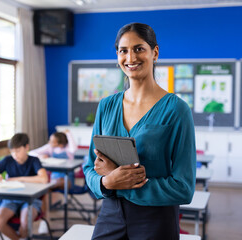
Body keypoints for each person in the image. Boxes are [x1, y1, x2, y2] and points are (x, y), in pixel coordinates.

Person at [83, 22, 196, 239]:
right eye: (123, 51)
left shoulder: (176, 109)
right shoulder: (106, 106)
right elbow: (90, 167)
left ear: (155, 52)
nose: (130, 58)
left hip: (156, 219)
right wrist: (107, 182)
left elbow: (183, 187)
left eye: (138, 49)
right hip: (110, 215)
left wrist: (123, 183)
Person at [0, 133, 48, 240]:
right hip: (11, 199)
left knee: (25, 223)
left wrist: (18, 178)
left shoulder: (34, 161)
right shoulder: (8, 160)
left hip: (30, 200)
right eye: (12, 151)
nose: (14, 155)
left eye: (17, 151)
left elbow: (44, 179)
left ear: (26, 147)